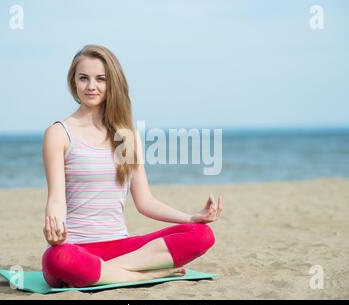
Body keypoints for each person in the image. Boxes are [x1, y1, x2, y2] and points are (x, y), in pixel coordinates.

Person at [41, 44, 224, 288]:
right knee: (57, 258)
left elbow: (145, 202)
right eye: (83, 78)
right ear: (73, 82)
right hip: (76, 248)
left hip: (121, 249)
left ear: (112, 83)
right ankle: (149, 275)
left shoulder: (127, 136)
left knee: (201, 234)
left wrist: (191, 217)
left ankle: (108, 273)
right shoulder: (59, 133)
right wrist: (55, 228)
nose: (91, 86)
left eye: (100, 79)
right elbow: (56, 198)